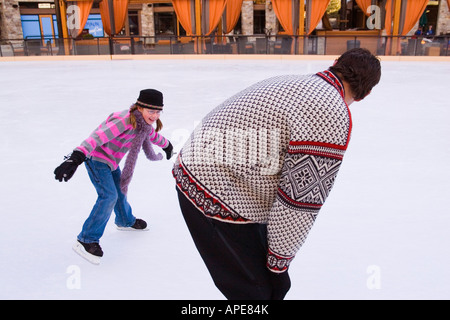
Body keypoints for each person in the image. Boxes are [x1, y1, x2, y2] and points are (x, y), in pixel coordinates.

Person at [173, 48, 381, 299]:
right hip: (214, 188)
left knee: (270, 288)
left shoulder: (293, 81)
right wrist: (279, 263)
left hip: (205, 168)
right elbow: (300, 199)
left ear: (335, 63)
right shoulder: (331, 112)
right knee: (257, 292)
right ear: (366, 94)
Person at [54, 89, 173, 265]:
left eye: (158, 112)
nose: (155, 116)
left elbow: (152, 135)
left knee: (120, 191)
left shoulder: (143, 125)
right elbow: (97, 137)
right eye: (151, 111)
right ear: (140, 107)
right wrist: (76, 157)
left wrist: (167, 145)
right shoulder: (124, 120)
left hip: (111, 162)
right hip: (96, 159)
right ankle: (86, 239)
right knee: (109, 196)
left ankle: (125, 220)